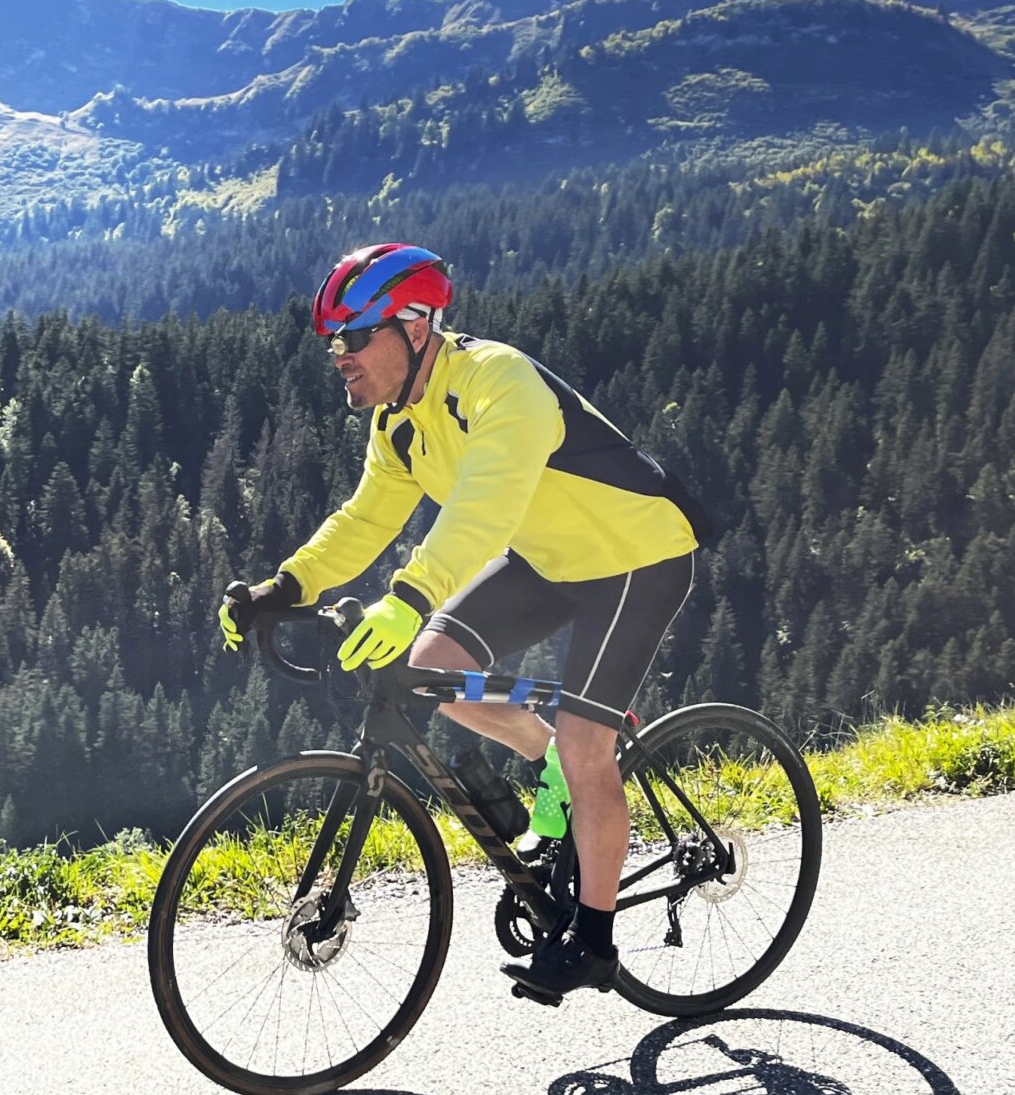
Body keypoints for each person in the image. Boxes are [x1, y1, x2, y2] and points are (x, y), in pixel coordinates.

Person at [219, 243, 711, 1000]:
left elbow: (487, 504)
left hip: (634, 555)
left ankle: (594, 941)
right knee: (435, 668)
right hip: (548, 557)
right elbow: (364, 520)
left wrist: (410, 595)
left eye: (356, 337)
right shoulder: (398, 423)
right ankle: (555, 770)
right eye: (333, 342)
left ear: (416, 329)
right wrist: (282, 588)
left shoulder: (497, 381)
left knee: (588, 743)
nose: (340, 356)